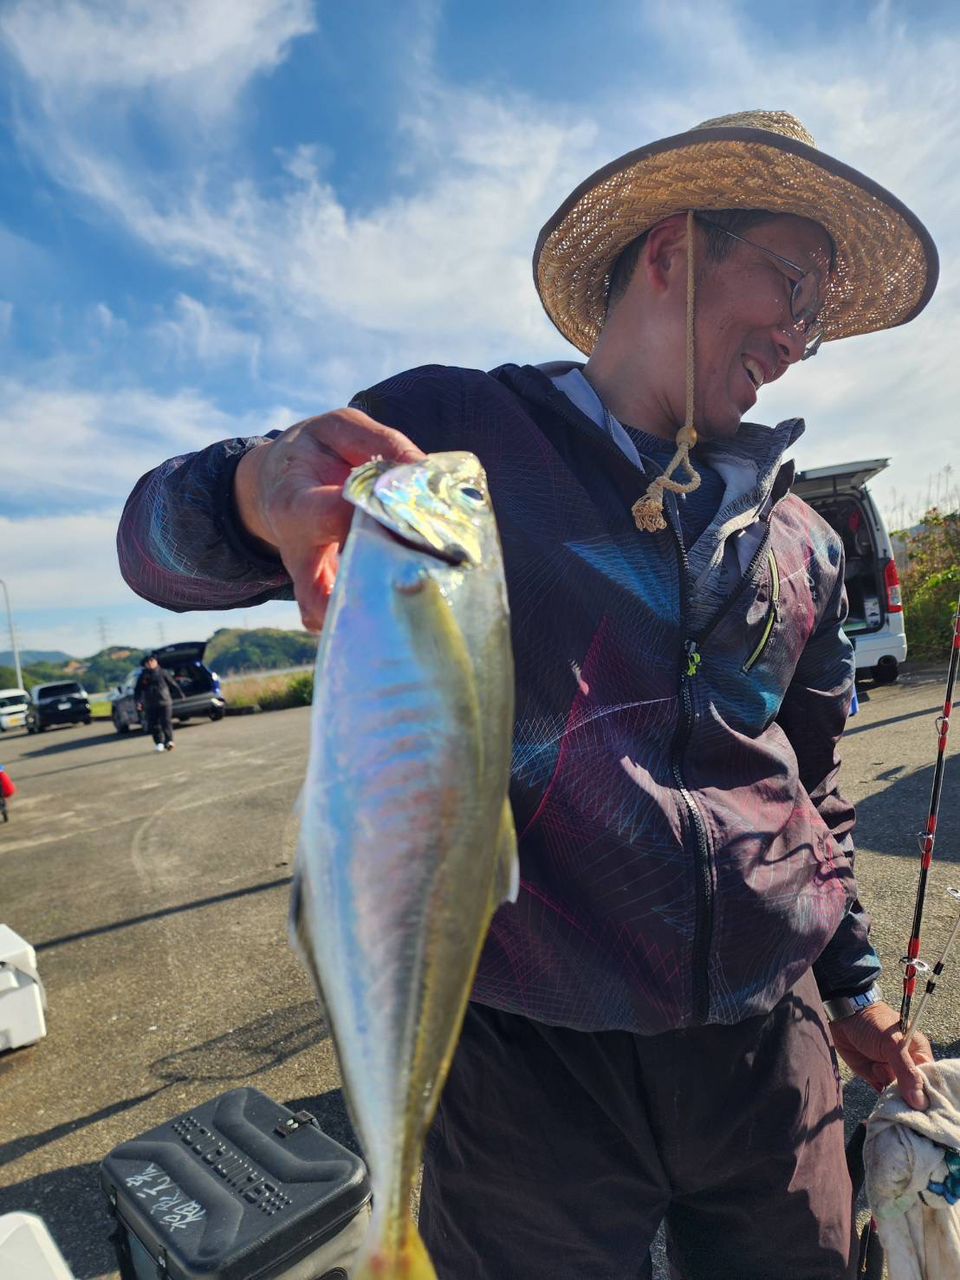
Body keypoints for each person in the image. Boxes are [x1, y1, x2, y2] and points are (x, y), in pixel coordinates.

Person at [117, 110, 939, 1278]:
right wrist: (251, 486)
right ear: (675, 248)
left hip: (768, 1048)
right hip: (525, 1065)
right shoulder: (452, 440)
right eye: (794, 286)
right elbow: (155, 550)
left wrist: (851, 983)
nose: (802, 339)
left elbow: (816, 782)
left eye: (820, 316)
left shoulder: (799, 534)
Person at [134, 654, 180, 752]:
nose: (150, 663)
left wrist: (180, 694)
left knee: (166, 722)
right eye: (148, 662)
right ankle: (159, 742)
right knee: (154, 724)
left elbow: (172, 684)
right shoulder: (142, 676)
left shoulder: (163, 672)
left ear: (156, 662)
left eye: (152, 661)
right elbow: (138, 691)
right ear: (145, 664)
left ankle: (169, 741)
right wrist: (138, 702)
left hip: (165, 701)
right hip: (150, 704)